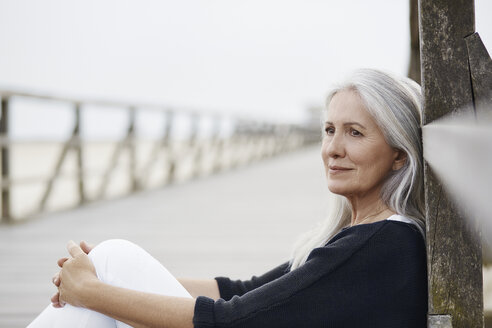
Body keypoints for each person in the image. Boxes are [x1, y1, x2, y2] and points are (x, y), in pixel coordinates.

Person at [27, 68, 427, 328]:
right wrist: (104, 277)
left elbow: (231, 321)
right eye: (328, 130)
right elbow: (243, 288)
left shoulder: (381, 244)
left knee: (113, 261)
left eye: (354, 133)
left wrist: (94, 292)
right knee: (112, 259)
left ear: (399, 154)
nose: (333, 149)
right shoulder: (365, 233)